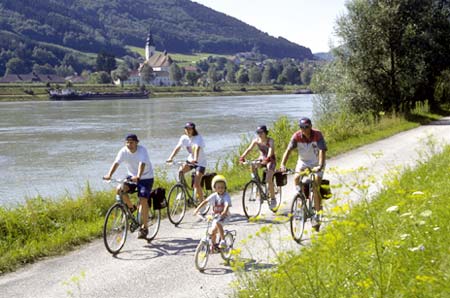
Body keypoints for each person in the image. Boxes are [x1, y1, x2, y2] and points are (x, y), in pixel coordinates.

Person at [103, 134, 154, 239]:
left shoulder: (142, 150)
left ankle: (144, 227)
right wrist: (109, 175)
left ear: (136, 143)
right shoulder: (123, 151)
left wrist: (139, 176)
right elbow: (116, 163)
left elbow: (142, 164)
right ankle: (131, 207)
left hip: (146, 177)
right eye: (127, 142)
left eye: (131, 142)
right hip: (131, 177)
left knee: (143, 200)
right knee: (120, 190)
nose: (129, 144)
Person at [279, 117, 327, 229]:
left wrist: (319, 165)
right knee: (296, 178)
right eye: (301, 127)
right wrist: (282, 165)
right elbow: (288, 150)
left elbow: (322, 151)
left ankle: (317, 215)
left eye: (306, 127)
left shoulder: (317, 135)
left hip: (316, 163)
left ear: (310, 126)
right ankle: (300, 198)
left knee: (315, 186)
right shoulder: (296, 136)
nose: (303, 129)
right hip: (303, 162)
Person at [166, 122, 207, 202]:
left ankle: (202, 203)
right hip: (190, 160)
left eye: (190, 129)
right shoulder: (184, 138)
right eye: (186, 129)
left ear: (193, 130)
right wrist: (170, 158)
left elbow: (196, 148)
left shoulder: (198, 138)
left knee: (196, 184)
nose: (188, 130)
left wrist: (195, 159)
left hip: (200, 162)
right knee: (181, 171)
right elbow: (177, 148)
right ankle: (182, 191)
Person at [239, 125, 277, 209]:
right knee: (252, 164)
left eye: (261, 132)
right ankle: (256, 182)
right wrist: (242, 157)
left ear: (265, 132)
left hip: (270, 160)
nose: (259, 134)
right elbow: (249, 149)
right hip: (261, 158)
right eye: (258, 133)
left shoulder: (270, 141)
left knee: (268, 179)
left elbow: (270, 151)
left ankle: (273, 199)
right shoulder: (256, 141)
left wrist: (267, 159)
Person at [194, 175, 231, 250]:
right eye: (218, 187)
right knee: (212, 231)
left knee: (218, 223)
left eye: (222, 187)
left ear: (225, 188)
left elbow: (227, 204)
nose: (220, 189)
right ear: (215, 188)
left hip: (224, 216)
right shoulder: (213, 196)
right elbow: (205, 201)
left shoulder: (226, 195)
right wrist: (197, 209)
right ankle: (214, 245)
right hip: (216, 216)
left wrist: (225, 210)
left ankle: (223, 241)